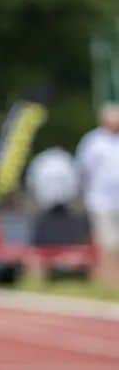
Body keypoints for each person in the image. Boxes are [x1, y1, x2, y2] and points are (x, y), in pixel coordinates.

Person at [75, 104, 119, 281]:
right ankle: (108, 277)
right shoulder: (93, 141)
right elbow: (83, 170)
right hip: (100, 200)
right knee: (106, 241)